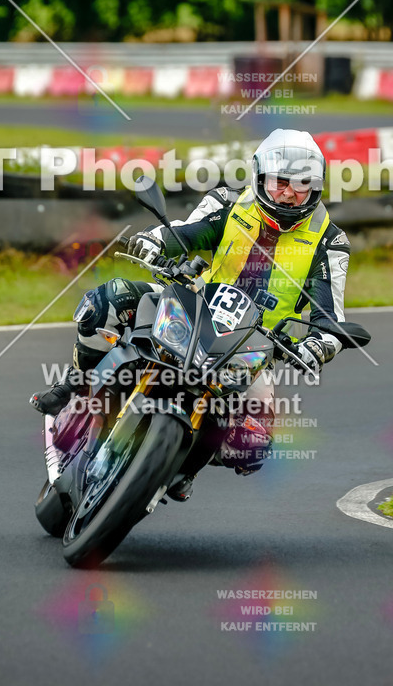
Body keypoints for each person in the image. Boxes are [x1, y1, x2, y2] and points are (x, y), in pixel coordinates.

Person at [30, 129, 352, 498]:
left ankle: (179, 466)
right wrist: (155, 240)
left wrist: (321, 343)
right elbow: (189, 232)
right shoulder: (231, 202)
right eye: (281, 182)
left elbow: (330, 314)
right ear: (261, 178)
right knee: (106, 302)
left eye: (302, 184)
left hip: (253, 346)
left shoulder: (330, 241)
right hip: (194, 304)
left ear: (317, 187)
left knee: (251, 445)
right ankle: (74, 384)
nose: (290, 193)